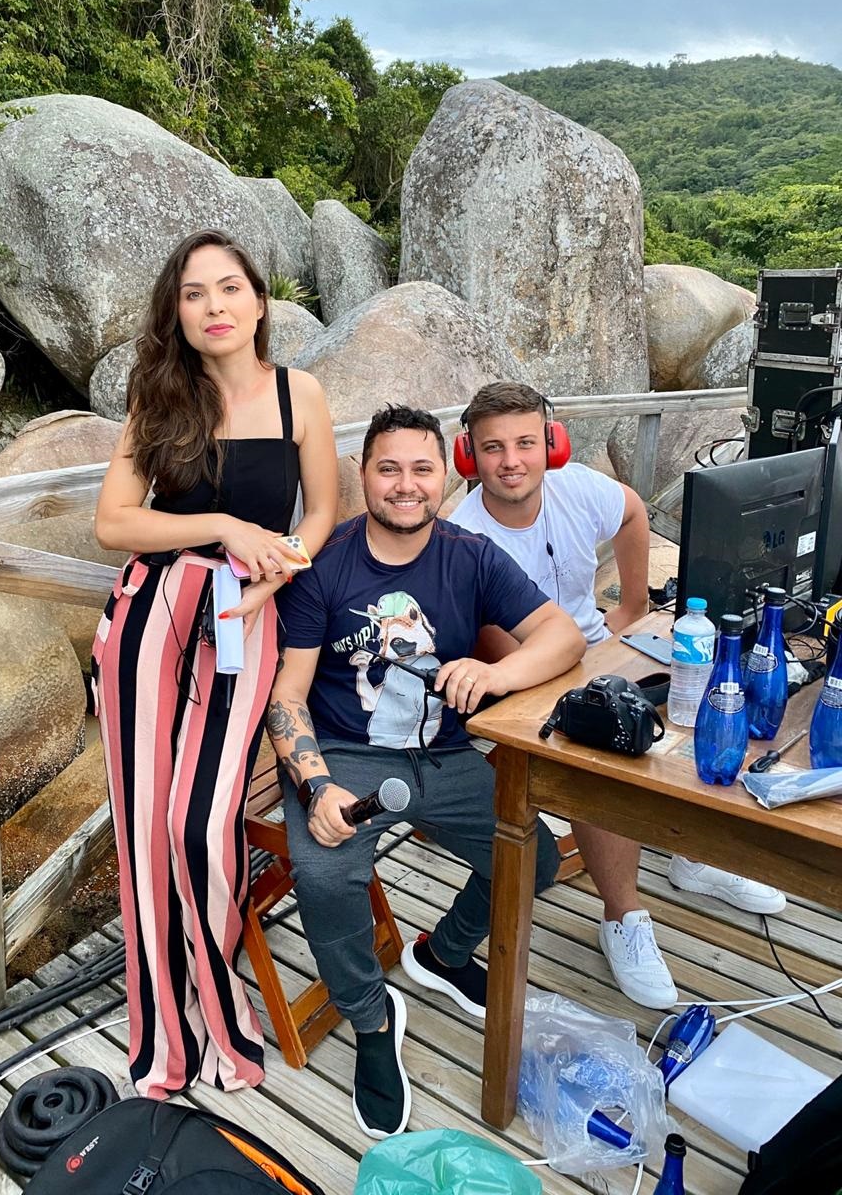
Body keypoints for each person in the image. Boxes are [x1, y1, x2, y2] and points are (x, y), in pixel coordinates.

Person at [268, 406, 586, 1139]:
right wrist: (316, 785)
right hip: (346, 754)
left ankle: (442, 952)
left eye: (421, 468)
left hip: (444, 752)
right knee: (324, 875)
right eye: (389, 469)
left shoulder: (470, 555)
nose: (406, 485)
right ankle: (372, 1020)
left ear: (446, 474)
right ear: (363, 475)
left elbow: (562, 636)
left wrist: (497, 672)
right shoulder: (324, 566)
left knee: (534, 861)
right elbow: (287, 695)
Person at [91, 230, 338, 1099]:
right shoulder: (159, 397)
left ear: (259, 302)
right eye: (193, 294)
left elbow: (321, 515)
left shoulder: (299, 393)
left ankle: (220, 1008)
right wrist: (225, 526)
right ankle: (164, 1034)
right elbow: (114, 523)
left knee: (200, 825)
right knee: (143, 830)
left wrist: (275, 573)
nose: (214, 306)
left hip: (244, 618)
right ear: (178, 313)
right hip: (150, 618)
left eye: (229, 288)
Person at [449, 381, 786, 1010]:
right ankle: (623, 915)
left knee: (702, 696)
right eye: (493, 448)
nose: (511, 461)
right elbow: (497, 649)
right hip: (525, 677)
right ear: (469, 455)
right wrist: (586, 675)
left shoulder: (576, 486)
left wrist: (632, 606)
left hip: (600, 649)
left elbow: (632, 511)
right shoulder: (463, 537)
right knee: (601, 746)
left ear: (551, 443)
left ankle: (690, 852)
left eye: (525, 443)